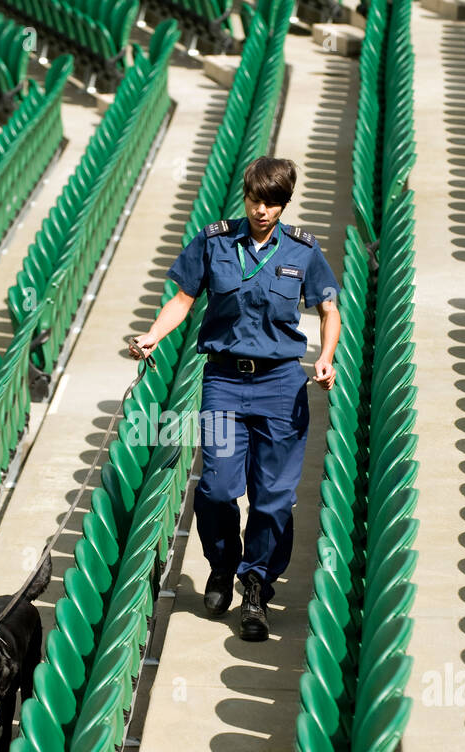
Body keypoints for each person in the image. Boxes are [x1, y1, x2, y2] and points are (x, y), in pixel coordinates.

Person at [130, 156, 341, 640]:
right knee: (217, 488)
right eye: (255, 200)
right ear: (244, 196)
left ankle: (255, 586)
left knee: (273, 501)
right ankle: (222, 566)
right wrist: (153, 336)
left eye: (272, 203)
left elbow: (328, 309)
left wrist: (325, 357)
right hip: (224, 381)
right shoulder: (215, 241)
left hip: (280, 384)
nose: (261, 210)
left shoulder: (303, 251)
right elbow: (183, 299)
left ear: (284, 204)